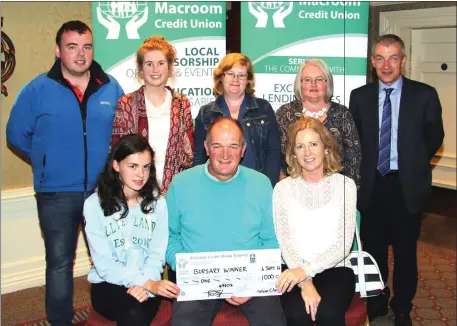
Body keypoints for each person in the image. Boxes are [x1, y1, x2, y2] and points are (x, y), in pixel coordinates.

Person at [6, 21, 124, 325]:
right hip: (56, 193)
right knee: (59, 264)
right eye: (72, 46)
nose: (80, 54)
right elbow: (16, 134)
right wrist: (45, 161)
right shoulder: (37, 89)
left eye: (86, 46)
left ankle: (111, 315)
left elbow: (122, 137)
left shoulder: (110, 87)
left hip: (103, 192)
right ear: (58, 51)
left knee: (111, 257)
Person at [349, 34, 444, 326]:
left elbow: (434, 137)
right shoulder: (360, 96)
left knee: (405, 253)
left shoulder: (425, 94)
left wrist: (411, 162)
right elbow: (356, 142)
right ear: (372, 62)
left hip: (406, 186)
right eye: (380, 58)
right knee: (373, 251)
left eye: (393, 57)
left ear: (403, 60)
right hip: (373, 187)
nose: (386, 65)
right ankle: (377, 302)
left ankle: (402, 305)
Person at [166, 117, 287, 326]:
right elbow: (169, 238)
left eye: (233, 146)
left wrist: (252, 282)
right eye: (217, 146)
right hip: (198, 280)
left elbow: (271, 242)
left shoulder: (261, 184)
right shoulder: (181, 183)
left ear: (243, 149)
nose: (225, 155)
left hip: (250, 278)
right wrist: (192, 270)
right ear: (206, 147)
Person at [83, 134, 179, 325]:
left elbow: (156, 256)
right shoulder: (94, 205)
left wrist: (146, 283)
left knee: (136, 311)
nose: (140, 174)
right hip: (108, 283)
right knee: (133, 311)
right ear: (116, 165)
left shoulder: (158, 204)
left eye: (146, 167)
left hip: (148, 278)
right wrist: (145, 283)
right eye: (132, 166)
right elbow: (104, 264)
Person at [273, 118, 357, 326]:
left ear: (326, 148)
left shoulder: (346, 185)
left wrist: (306, 272)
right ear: (293, 153)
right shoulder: (282, 189)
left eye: (313, 144)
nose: (307, 153)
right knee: (297, 315)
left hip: (336, 268)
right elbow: (285, 242)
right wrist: (304, 281)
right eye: (300, 146)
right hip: (293, 268)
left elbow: (343, 245)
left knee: (328, 315)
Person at [111, 36, 194, 194]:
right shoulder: (127, 103)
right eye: (149, 64)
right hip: (135, 190)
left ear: (169, 68)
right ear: (141, 70)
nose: (155, 70)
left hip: (175, 190)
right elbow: (118, 151)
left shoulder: (182, 104)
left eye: (161, 63)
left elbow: (188, 153)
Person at [193, 53, 281, 186]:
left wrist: (268, 185)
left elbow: (273, 152)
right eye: (230, 74)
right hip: (216, 185)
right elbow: (199, 155)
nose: (236, 79)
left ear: (248, 80)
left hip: (256, 184)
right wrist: (200, 185)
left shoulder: (264, 109)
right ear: (221, 77)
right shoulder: (206, 113)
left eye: (241, 75)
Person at [275, 59, 361, 188]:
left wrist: (348, 189)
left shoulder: (342, 114)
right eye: (308, 80)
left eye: (319, 79)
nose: (313, 84)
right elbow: (276, 154)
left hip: (336, 189)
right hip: (294, 188)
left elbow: (354, 157)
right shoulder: (285, 113)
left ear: (328, 83)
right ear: (300, 83)